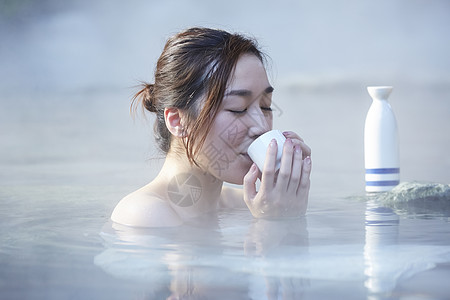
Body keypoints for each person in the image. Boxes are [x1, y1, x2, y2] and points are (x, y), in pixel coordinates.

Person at [111, 27, 312, 227]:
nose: (262, 126)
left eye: (266, 106)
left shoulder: (242, 205)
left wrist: (286, 203)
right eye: (238, 109)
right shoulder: (144, 215)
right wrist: (274, 223)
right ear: (177, 121)